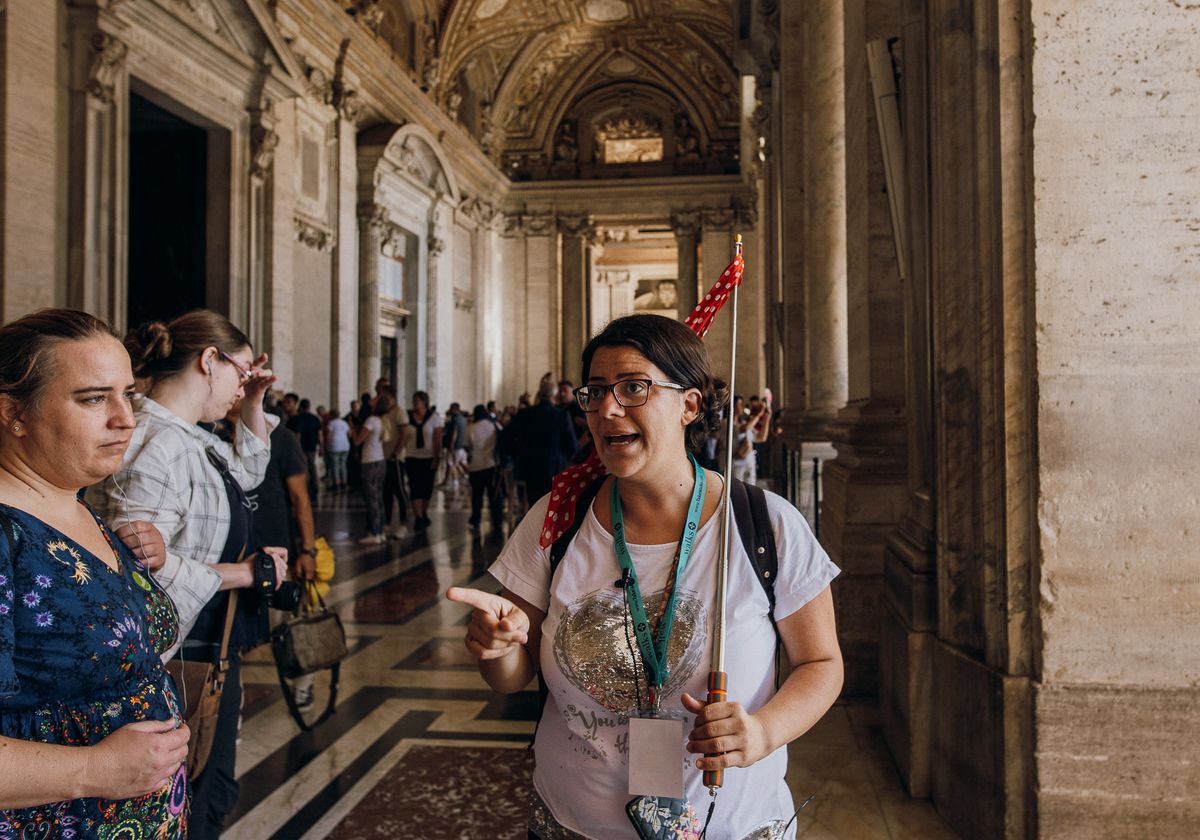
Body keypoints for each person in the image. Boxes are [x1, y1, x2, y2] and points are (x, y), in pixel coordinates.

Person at [447, 314, 842, 839]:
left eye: (634, 387)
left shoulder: (765, 524)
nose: (608, 409)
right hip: (574, 825)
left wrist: (764, 732)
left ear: (690, 404)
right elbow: (512, 676)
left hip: (732, 826)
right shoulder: (557, 518)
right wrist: (497, 650)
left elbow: (821, 662)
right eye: (595, 392)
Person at [100, 309, 289, 840]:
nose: (244, 384)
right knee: (189, 808)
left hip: (201, 650)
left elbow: (246, 470)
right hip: (168, 661)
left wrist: (251, 403)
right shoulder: (155, 442)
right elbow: (133, 574)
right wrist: (244, 573)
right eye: (242, 372)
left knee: (210, 794)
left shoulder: (192, 436)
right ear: (210, 360)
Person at [0, 309, 190, 838]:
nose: (125, 418)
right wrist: (95, 771)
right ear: (14, 412)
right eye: (92, 398)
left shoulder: (79, 506)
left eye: (127, 393)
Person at [499, 374, 576, 505]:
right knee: (553, 506)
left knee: (534, 505)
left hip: (530, 468)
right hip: (554, 469)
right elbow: (571, 446)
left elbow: (505, 436)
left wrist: (516, 454)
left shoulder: (525, 414)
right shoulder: (562, 416)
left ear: (539, 395)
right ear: (555, 396)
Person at [352, 396, 387, 545]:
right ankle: (381, 531)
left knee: (371, 498)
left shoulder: (371, 420)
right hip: (380, 460)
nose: (370, 400)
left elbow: (357, 440)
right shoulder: (382, 420)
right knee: (378, 497)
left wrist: (352, 429)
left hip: (370, 461)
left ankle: (375, 532)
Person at [406, 391, 442, 532]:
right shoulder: (408, 417)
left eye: (417, 400)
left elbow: (437, 439)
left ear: (424, 402)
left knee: (426, 488)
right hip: (412, 457)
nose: (415, 403)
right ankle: (418, 517)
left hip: (428, 458)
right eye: (414, 400)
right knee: (415, 487)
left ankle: (424, 511)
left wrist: (436, 457)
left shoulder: (434, 418)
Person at [465, 404, 504, 533]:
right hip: (492, 465)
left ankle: (476, 520)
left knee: (477, 495)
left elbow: (466, 446)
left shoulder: (471, 428)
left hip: (475, 467)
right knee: (495, 496)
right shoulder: (494, 425)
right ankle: (497, 521)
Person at [287, 397, 322, 501]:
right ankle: (315, 486)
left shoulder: (299, 418)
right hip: (312, 446)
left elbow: (298, 433)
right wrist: (322, 447)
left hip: (302, 446)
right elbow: (320, 434)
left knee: (303, 467)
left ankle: (306, 487)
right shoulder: (315, 418)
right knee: (313, 466)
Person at [324, 408, 351, 493]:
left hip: (335, 445)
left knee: (335, 465)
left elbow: (329, 434)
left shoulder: (331, 423)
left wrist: (327, 444)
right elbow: (349, 433)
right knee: (343, 465)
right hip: (345, 445)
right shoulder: (344, 422)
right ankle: (344, 483)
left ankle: (336, 484)